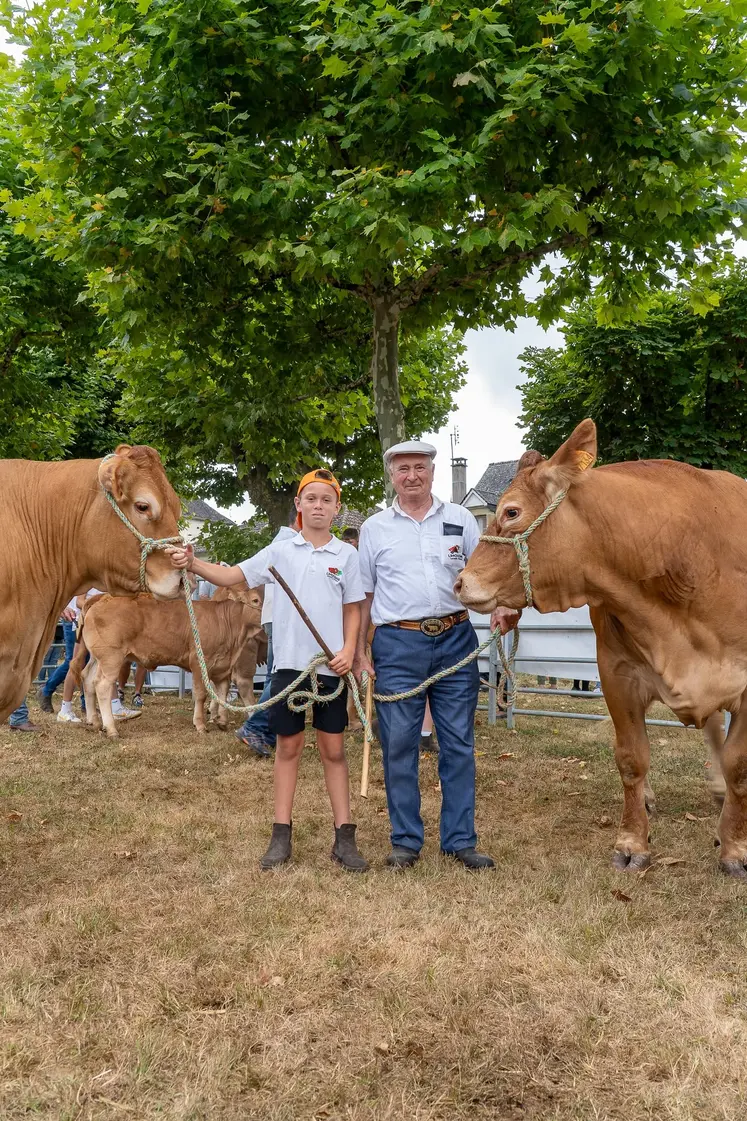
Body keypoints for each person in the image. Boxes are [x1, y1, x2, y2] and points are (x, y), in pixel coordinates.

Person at [168, 468, 369, 873]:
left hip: (330, 668)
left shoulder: (347, 556)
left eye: (326, 500)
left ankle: (344, 836)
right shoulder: (280, 552)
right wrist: (194, 564)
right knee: (288, 748)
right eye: (310, 498)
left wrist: (350, 649)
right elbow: (231, 575)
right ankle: (281, 834)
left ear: (337, 508)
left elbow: (354, 608)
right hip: (289, 667)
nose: (318, 506)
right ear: (298, 505)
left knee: (333, 749)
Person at [355, 440, 519, 871]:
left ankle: (460, 840)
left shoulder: (460, 519)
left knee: (459, 744)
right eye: (403, 468)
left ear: (432, 471)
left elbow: (483, 570)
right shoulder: (374, 528)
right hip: (397, 643)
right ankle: (405, 841)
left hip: (455, 638)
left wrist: (502, 605)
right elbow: (364, 595)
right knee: (399, 745)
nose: (412, 476)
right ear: (392, 475)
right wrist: (358, 649)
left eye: (420, 467)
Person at [235, 518, 299, 758]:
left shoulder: (283, 541)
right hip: (283, 619)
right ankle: (256, 727)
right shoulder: (288, 542)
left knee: (278, 675)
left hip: (277, 617)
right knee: (281, 675)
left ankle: (264, 729)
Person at [37, 599, 79, 713]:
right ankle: (46, 690)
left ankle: (86, 704)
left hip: (84, 619)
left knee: (86, 661)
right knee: (73, 661)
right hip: (72, 618)